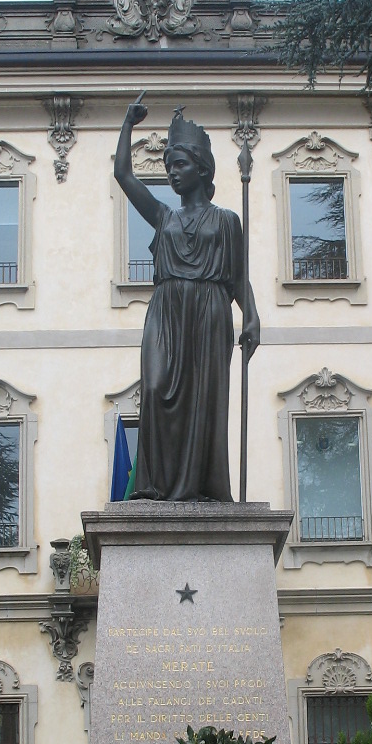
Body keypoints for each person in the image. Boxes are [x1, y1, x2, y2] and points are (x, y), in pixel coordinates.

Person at [114, 97, 260, 501]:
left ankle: (196, 486)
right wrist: (128, 124)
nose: (172, 173)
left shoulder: (227, 220)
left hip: (211, 312)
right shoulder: (164, 217)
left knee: (204, 404)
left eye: (179, 164)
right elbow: (124, 175)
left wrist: (251, 316)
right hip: (167, 311)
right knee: (157, 388)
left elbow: (238, 276)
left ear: (202, 168)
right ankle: (155, 486)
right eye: (168, 167)